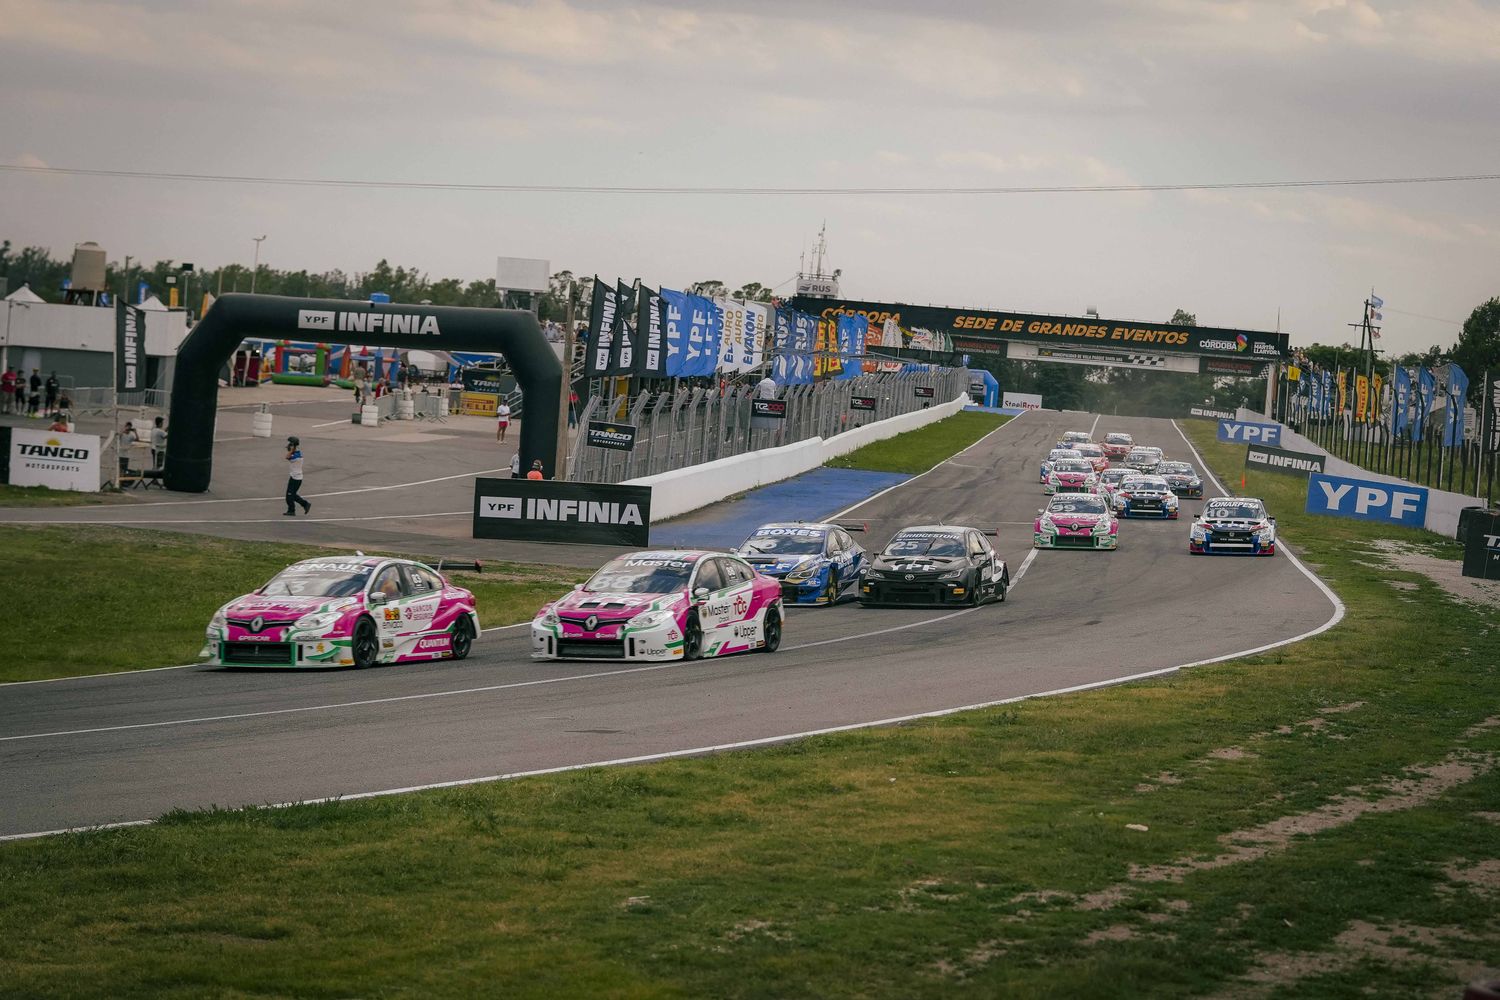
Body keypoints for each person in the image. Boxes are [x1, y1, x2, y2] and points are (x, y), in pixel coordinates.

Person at [283, 435, 312, 516]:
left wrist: (291, 450)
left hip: (295, 479)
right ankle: (305, 504)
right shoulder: (298, 453)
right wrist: (293, 449)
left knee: (289, 496)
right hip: (296, 477)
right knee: (293, 495)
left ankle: (291, 510)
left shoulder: (295, 457)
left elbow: (287, 457)